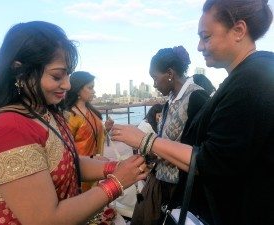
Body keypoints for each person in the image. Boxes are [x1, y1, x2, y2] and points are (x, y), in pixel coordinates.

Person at [111, 0, 274, 224]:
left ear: (238, 31)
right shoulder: (248, 76)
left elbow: (212, 162)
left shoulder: (252, 81)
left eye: (205, 37)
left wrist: (145, 140)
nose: (199, 46)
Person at [0, 21, 148, 225]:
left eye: (68, 75)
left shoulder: (44, 112)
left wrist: (116, 167)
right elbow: (45, 219)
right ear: (19, 70)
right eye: (57, 76)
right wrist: (116, 183)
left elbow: (69, 162)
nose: (66, 84)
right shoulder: (7, 128)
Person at [130, 46, 211, 225]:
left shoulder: (197, 98)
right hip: (162, 183)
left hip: (181, 189)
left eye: (154, 77)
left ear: (169, 73)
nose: (154, 84)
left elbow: (201, 151)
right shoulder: (170, 100)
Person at [63, 71, 114, 191]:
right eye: (90, 88)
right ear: (78, 90)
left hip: (94, 163)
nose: (94, 91)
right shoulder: (70, 116)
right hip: (80, 167)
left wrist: (105, 129)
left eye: (93, 87)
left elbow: (91, 136)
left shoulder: (92, 112)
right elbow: (65, 148)